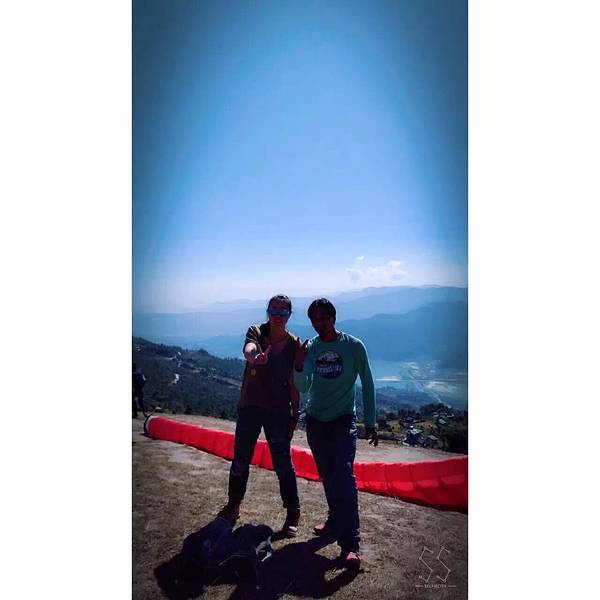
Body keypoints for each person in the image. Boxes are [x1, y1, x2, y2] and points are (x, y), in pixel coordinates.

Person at [293, 298, 378, 570]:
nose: (319, 323)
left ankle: (350, 544)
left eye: (323, 318)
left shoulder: (353, 346)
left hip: (342, 420)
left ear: (333, 317)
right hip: (316, 421)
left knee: (344, 476)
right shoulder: (311, 348)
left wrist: (371, 421)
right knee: (328, 475)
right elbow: (303, 386)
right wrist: (298, 364)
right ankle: (333, 520)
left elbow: (367, 382)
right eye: (314, 319)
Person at [219, 295, 301, 537]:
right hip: (250, 407)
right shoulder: (256, 331)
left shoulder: (294, 344)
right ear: (267, 311)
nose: (277, 315)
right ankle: (233, 505)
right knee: (240, 459)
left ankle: (293, 512)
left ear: (289, 315)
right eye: (273, 309)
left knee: (283, 463)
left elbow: (293, 383)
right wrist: (253, 357)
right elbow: (249, 348)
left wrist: (295, 413)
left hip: (278, 411)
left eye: (283, 311)